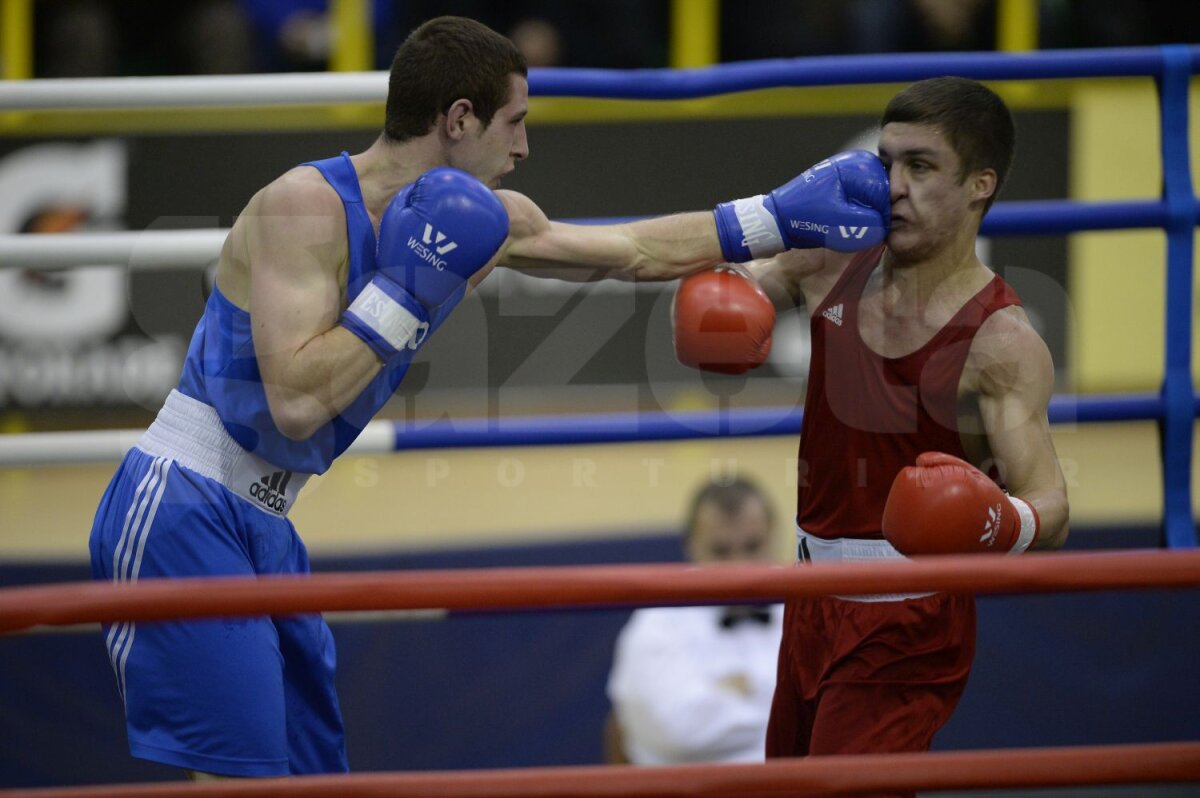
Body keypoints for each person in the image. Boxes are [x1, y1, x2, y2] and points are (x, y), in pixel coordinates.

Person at [87, 15, 890, 779]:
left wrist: (774, 218)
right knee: (242, 778)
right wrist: (405, 288)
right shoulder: (305, 206)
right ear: (460, 118)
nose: (526, 146)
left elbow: (632, 252)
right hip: (184, 503)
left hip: (269, 520)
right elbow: (295, 404)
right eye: (515, 122)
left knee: (309, 779)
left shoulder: (488, 222)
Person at [673, 76, 1070, 788]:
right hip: (810, 598)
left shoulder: (1002, 342)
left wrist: (993, 519)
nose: (892, 186)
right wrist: (725, 289)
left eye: (920, 167)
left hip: (907, 625)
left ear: (981, 184)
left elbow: (1051, 504)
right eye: (886, 162)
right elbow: (727, 278)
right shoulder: (832, 260)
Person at [605, 477, 783, 765]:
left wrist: (731, 692)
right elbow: (682, 732)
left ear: (774, 538)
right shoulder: (657, 621)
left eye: (753, 547)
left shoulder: (805, 610)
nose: (739, 567)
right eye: (721, 551)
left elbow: (830, 721)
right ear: (691, 548)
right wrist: (779, 702)